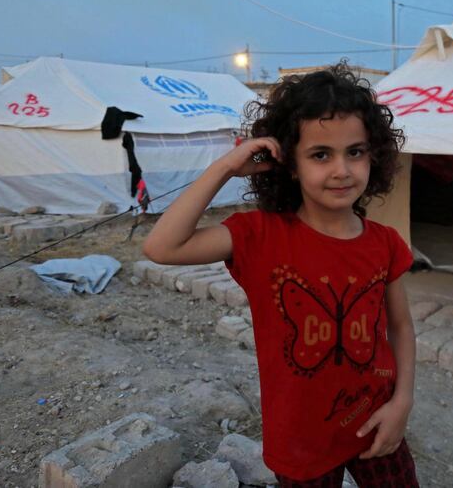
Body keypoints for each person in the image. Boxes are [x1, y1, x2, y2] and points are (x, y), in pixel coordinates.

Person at [142, 62, 419, 487]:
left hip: (376, 421)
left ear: (374, 155)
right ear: (289, 164)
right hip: (301, 442)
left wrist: (402, 403)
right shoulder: (260, 236)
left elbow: (400, 326)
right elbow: (162, 246)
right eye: (320, 155)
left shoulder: (386, 243)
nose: (342, 169)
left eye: (356, 151)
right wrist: (224, 169)